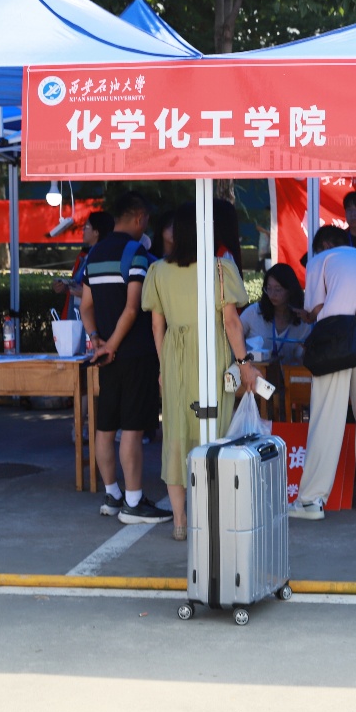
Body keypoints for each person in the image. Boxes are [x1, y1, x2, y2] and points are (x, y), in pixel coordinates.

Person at [143, 203, 261, 540]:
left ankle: (180, 521)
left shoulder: (157, 271)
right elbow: (231, 322)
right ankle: (211, 519)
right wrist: (245, 364)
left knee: (176, 434)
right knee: (213, 428)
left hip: (175, 357)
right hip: (211, 354)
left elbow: (156, 325)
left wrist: (164, 367)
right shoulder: (220, 268)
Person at [289, 224, 356, 520]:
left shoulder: (320, 261)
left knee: (326, 416)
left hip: (335, 340)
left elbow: (316, 308)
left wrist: (307, 315)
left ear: (323, 246)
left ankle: (311, 501)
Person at [81, 191, 171, 526]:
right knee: (131, 429)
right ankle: (134, 502)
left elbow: (85, 306)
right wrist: (113, 345)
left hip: (106, 357)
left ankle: (112, 495)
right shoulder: (137, 254)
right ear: (138, 217)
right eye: (145, 218)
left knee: (105, 428)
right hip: (134, 354)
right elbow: (133, 308)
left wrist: (97, 340)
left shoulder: (94, 254)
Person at [239, 263, 310, 367]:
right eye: (268, 288)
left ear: (290, 290)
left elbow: (302, 359)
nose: (272, 294)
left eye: (278, 289)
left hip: (288, 375)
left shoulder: (304, 320)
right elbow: (233, 335)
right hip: (254, 374)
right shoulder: (253, 312)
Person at [52, 210, 113, 321]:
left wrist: (85, 294)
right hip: (75, 317)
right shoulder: (83, 256)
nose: (83, 230)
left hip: (94, 321)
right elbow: (78, 284)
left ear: (96, 232)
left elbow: (109, 293)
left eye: (86, 226)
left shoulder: (106, 257)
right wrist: (64, 287)